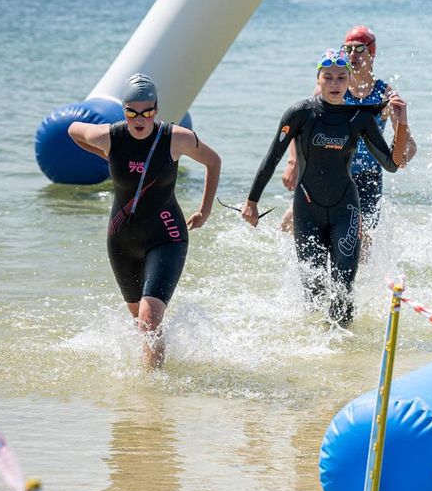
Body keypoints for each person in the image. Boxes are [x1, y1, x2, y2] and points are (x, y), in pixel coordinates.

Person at [241, 50, 409, 327]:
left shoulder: (360, 117)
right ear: (318, 79)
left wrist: (401, 122)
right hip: (307, 209)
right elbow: (272, 157)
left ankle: (347, 356)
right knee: (314, 292)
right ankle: (317, 354)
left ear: (349, 81)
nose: (334, 83)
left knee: (343, 289)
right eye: (328, 77)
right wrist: (252, 201)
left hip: (346, 209)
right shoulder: (300, 113)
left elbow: (391, 164)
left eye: (341, 78)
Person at [68, 73, 221, 370]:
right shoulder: (111, 137)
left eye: (147, 111)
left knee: (149, 323)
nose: (140, 118)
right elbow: (74, 130)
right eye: (132, 111)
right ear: (124, 110)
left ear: (156, 109)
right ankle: (151, 384)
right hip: (121, 239)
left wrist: (205, 210)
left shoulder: (176, 138)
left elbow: (213, 162)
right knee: (142, 324)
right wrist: (102, 151)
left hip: (167, 235)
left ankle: (152, 400)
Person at [281, 26, 416, 256]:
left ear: (371, 54)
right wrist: (294, 162)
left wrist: (403, 153)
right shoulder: (333, 86)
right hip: (329, 170)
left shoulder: (384, 94)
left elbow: (407, 144)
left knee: (362, 239)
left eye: (359, 49)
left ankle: (361, 284)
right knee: (289, 222)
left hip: (367, 177)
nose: (352, 55)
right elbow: (300, 124)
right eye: (348, 49)